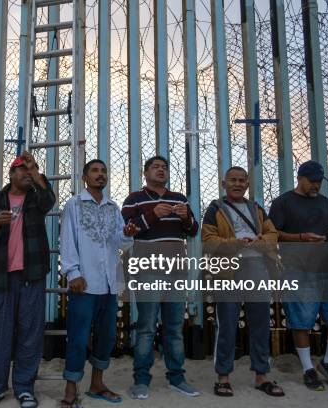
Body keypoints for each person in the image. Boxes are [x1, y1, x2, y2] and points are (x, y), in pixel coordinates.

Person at [0, 151, 55, 408]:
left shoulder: (36, 197)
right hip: (1, 277)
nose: (25, 173)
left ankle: (24, 388)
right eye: (20, 169)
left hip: (31, 276)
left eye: (28, 170)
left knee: (30, 333)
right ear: (10, 174)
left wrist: (35, 171)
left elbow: (49, 201)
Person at [59, 159, 140, 407]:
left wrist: (127, 234)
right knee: (78, 337)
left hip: (109, 283)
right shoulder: (74, 205)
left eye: (103, 171)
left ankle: (97, 384)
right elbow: (67, 241)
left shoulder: (113, 208)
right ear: (85, 177)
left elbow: (121, 245)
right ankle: (70, 390)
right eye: (94, 171)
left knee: (106, 337)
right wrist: (73, 273)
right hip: (84, 283)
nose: (100, 174)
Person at [269, 160, 328, 391]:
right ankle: (307, 368)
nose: (316, 185)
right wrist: (301, 238)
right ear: (300, 178)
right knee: (302, 320)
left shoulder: (324, 203)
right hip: (298, 268)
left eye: (319, 181)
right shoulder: (283, 202)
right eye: (312, 180)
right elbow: (272, 234)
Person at [122, 155, 200, 399]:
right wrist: (153, 214)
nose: (161, 170)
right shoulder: (134, 199)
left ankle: (176, 377)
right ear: (145, 173)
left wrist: (186, 216)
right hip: (148, 270)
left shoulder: (179, 198)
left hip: (176, 270)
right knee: (146, 327)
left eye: (164, 167)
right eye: (155, 167)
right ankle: (141, 380)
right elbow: (126, 231)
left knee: (175, 327)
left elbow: (194, 230)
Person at [201, 166, 284, 397]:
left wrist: (259, 240)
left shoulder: (256, 208)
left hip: (257, 267)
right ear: (223, 183)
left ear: (247, 184)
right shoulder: (214, 209)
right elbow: (208, 241)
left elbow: (272, 234)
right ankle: (223, 377)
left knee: (260, 322)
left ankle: (261, 376)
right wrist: (236, 243)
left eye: (241, 180)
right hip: (229, 270)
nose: (237, 184)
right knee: (226, 323)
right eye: (232, 180)